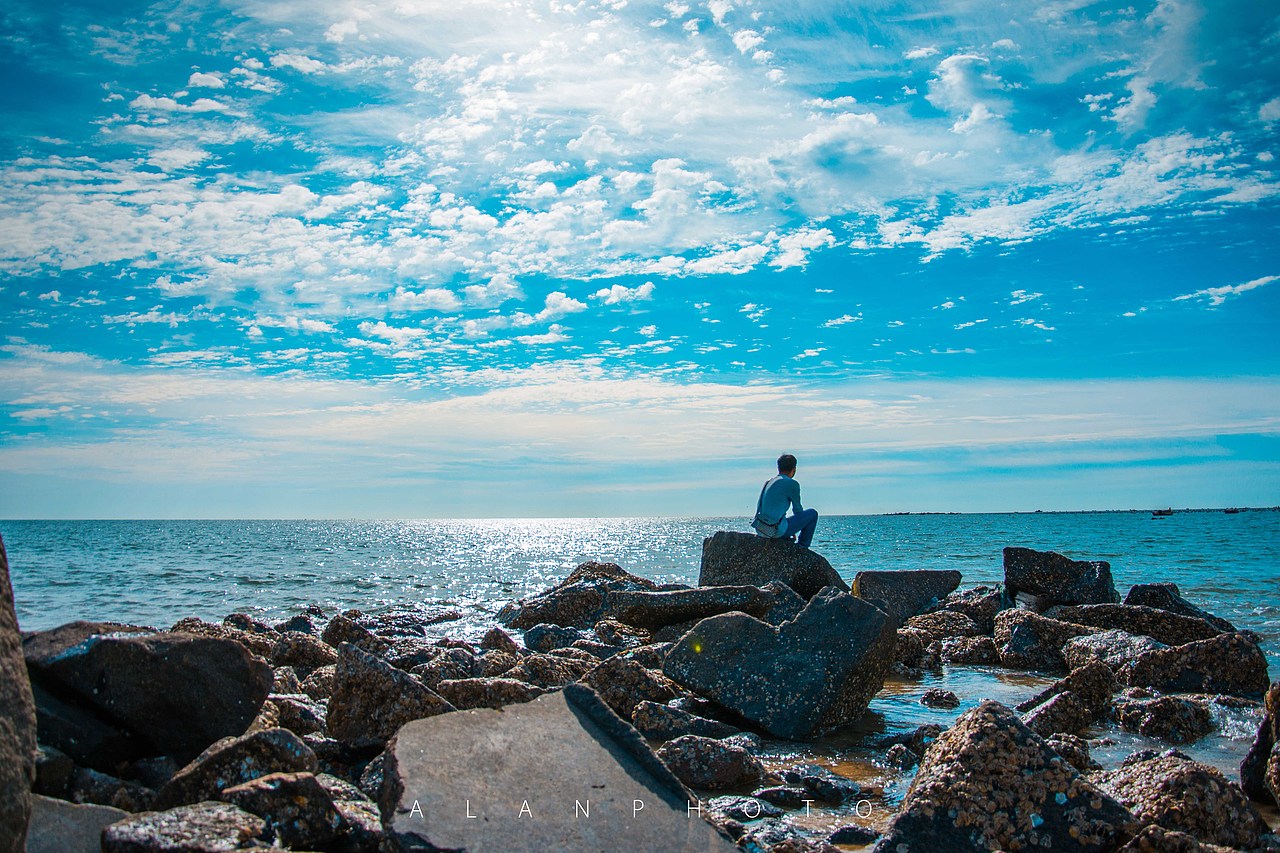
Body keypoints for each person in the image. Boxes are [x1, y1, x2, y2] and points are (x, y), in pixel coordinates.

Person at [751, 453, 819, 548]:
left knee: (783, 522)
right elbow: (798, 511)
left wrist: (789, 526)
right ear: (794, 469)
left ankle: (785, 535)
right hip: (774, 530)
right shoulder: (792, 483)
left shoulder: (769, 482)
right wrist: (792, 528)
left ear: (779, 468)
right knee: (812, 514)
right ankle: (802, 547)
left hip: (761, 529)